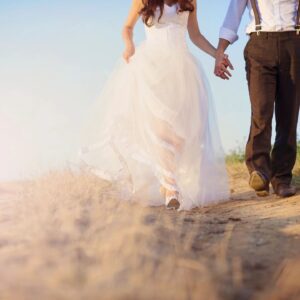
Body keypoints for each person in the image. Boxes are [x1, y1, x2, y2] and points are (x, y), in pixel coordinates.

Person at [79, 0, 231, 210]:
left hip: (182, 71)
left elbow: (195, 35)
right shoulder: (143, 1)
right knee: (160, 130)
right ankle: (171, 189)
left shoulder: (190, 1)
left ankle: (167, 180)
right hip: (151, 69)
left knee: (180, 137)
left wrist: (217, 54)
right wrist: (129, 44)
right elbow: (127, 27)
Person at [215, 0, 300, 198]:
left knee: (289, 114)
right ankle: (259, 172)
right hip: (260, 45)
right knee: (261, 110)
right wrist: (220, 52)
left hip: (294, 43)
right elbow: (232, 18)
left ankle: (281, 177)